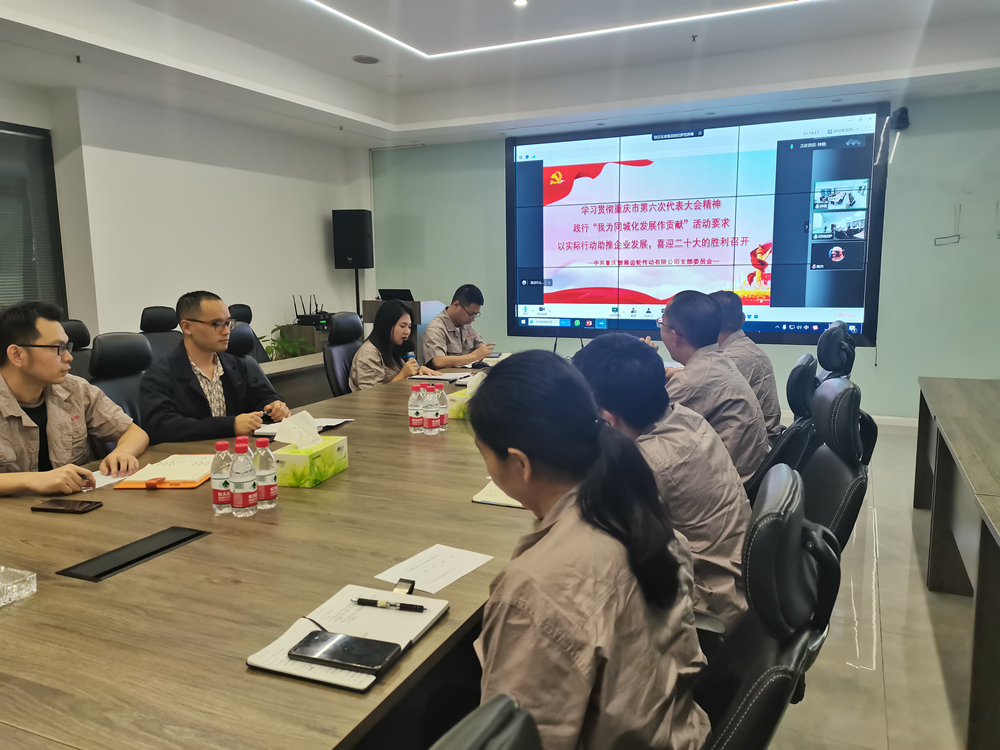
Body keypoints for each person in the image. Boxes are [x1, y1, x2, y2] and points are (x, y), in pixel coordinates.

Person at [469, 350, 710, 750]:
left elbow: (521, 739)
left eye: (485, 454)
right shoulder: (633, 509)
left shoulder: (535, 589)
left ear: (520, 463)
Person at [573, 333, 749, 629]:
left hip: (704, 604)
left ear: (606, 418)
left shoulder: (643, 463)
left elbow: (592, 546)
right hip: (734, 581)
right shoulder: (686, 418)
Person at [0, 301, 149, 496]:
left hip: (79, 503)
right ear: (17, 355)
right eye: (58, 348)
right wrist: (36, 480)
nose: (69, 357)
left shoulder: (74, 389)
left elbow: (134, 432)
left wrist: (123, 452)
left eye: (67, 346)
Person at [140, 291, 290, 444]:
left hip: (237, 451)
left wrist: (275, 405)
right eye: (217, 324)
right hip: (190, 455)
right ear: (187, 327)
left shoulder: (235, 365)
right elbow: (161, 426)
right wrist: (230, 425)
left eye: (228, 323)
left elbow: (263, 395)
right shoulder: (160, 375)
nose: (226, 331)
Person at [658, 290, 769, 482]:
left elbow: (636, 426)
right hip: (744, 478)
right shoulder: (720, 360)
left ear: (675, 336)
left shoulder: (689, 383)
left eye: (661, 324)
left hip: (727, 482)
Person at [710, 290, 782, 445]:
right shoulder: (745, 349)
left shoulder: (730, 359)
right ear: (743, 318)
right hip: (760, 438)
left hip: (752, 445)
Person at [350, 300, 439, 391]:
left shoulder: (392, 347)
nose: (407, 332)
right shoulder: (369, 354)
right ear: (386, 325)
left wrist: (418, 370)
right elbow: (371, 394)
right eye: (402, 326)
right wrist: (402, 375)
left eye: (409, 326)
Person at [423, 284, 495, 369]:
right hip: (447, 376)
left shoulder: (466, 325)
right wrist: (473, 356)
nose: (473, 319)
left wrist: (484, 351)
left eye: (475, 315)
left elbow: (480, 347)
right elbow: (437, 362)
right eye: (471, 314)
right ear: (457, 305)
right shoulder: (436, 328)